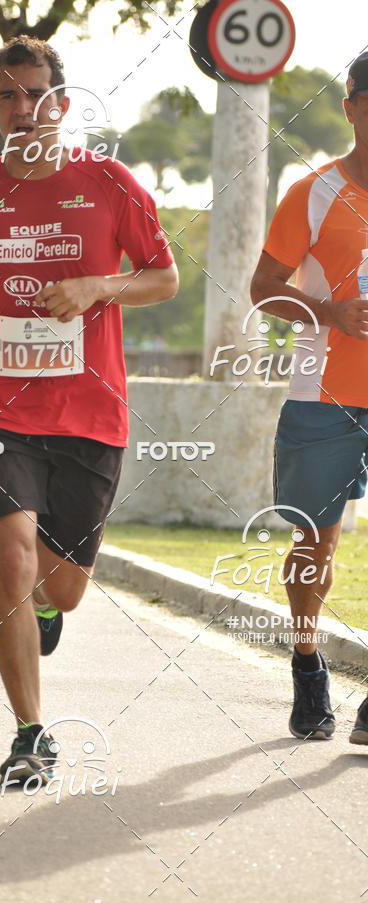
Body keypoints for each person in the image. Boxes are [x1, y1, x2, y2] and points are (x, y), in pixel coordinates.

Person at [0, 35, 178, 782]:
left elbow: (164, 277)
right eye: (8, 96)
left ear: (61, 100)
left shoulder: (109, 182)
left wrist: (97, 287)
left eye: (36, 94)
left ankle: (49, 609)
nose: (23, 109)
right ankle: (31, 732)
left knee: (61, 585)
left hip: (89, 410)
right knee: (10, 555)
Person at [251, 51, 368, 745]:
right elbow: (263, 286)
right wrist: (329, 313)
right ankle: (306, 660)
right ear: (351, 105)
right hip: (324, 394)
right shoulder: (314, 191)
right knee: (314, 541)